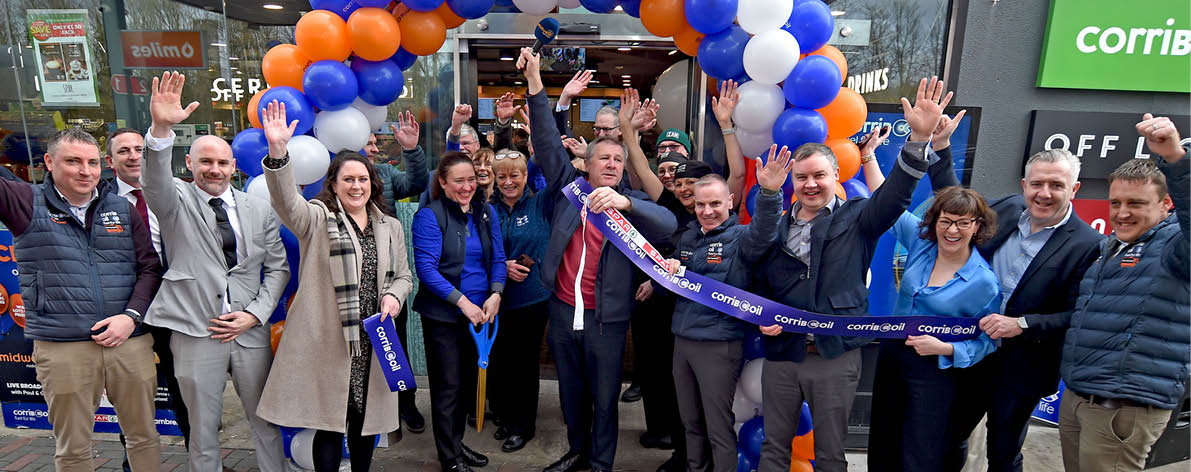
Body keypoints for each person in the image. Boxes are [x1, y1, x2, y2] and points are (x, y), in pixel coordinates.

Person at [751, 77, 949, 472]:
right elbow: (756, 271)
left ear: (836, 175)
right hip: (783, 355)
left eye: (819, 175)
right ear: (792, 181)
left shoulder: (860, 217)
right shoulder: (775, 224)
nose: (810, 184)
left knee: (830, 456)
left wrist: (917, 141)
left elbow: (895, 195)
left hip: (835, 356)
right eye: (802, 177)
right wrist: (762, 315)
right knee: (773, 450)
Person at [519, 47, 678, 472]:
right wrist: (535, 83)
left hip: (606, 319)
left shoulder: (633, 202)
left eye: (617, 160)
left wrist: (628, 203)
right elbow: (547, 141)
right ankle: (577, 452)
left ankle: (601, 463)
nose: (611, 164)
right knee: (570, 393)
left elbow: (668, 225)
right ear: (586, 166)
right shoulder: (569, 191)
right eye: (603, 158)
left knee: (605, 397)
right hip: (562, 310)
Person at [141, 72, 290, 472]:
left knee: (266, 424)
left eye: (222, 162)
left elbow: (277, 269)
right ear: (189, 163)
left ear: (233, 166)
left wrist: (254, 314)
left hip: (249, 333)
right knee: (202, 431)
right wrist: (160, 130)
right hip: (195, 332)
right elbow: (153, 181)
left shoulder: (258, 208)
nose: (214, 169)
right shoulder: (174, 200)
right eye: (205, 161)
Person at [256, 101, 414, 472]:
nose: (356, 186)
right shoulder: (317, 219)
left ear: (372, 183)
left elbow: (404, 276)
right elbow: (286, 202)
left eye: (362, 179)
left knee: (364, 423)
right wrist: (278, 152)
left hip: (374, 342)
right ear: (334, 184)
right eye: (348, 180)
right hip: (331, 341)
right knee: (329, 426)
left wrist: (394, 296)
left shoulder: (389, 226)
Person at [925, 144, 1102, 469]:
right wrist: (940, 149)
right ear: (1024, 184)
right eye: (1037, 184)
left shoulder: (1088, 244)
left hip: (1022, 368)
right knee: (947, 438)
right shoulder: (1005, 209)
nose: (1044, 193)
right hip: (969, 353)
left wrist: (1022, 324)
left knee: (1003, 453)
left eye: (1056, 185)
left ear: (1074, 188)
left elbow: (1080, 315)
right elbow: (954, 202)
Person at [0, 127, 163, 471]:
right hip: (63, 347)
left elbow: (149, 267)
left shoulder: (121, 208)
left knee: (144, 437)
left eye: (92, 162)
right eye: (73, 161)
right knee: (73, 447)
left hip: (128, 341)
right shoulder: (25, 202)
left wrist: (131, 316)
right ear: (49, 162)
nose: (85, 171)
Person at [1056, 114, 1189, 472]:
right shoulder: (1111, 247)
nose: (1122, 213)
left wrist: (1176, 160)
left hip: (1121, 410)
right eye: (1116, 203)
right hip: (1082, 399)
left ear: (1166, 204)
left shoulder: (1176, 247)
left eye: (1136, 203)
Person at [662, 147, 791, 472]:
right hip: (682, 340)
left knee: (718, 428)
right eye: (701, 204)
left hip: (719, 345)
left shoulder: (742, 238)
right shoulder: (688, 238)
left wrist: (770, 193)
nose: (707, 211)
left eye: (715, 204)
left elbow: (765, 231)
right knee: (690, 424)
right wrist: (669, 270)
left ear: (730, 202)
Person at [866, 186, 1001, 471]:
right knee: (884, 440)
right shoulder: (921, 244)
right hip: (893, 357)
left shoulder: (984, 282)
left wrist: (945, 348)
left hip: (935, 370)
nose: (952, 230)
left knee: (921, 449)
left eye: (963, 223)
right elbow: (889, 203)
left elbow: (988, 341)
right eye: (946, 221)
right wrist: (867, 162)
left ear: (977, 226)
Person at [412, 152, 507, 472]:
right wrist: (463, 303)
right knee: (448, 388)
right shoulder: (430, 216)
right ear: (442, 182)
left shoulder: (486, 212)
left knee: (466, 387)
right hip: (445, 317)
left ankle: (455, 444)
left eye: (471, 179)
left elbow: (498, 258)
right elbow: (427, 270)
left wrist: (496, 293)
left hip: (481, 315)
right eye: (458, 181)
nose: (467, 187)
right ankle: (450, 458)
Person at [104, 127, 193, 464]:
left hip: (175, 305)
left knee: (185, 390)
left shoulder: (178, 192)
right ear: (110, 161)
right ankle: (134, 464)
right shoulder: (100, 200)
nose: (133, 156)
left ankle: (202, 460)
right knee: (132, 394)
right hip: (127, 309)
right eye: (123, 151)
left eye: (139, 149)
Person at [364, 129, 431, 433]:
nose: (374, 148)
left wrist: (412, 151)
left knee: (395, 347)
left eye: (374, 143)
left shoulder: (386, 173)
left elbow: (416, 183)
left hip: (389, 279)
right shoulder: (334, 176)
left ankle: (406, 405)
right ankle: (369, 411)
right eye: (368, 143)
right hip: (351, 280)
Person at [487, 147, 552, 453]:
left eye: (514, 175)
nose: (508, 182)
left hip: (532, 300)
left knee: (524, 364)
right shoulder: (486, 209)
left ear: (526, 176)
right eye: (501, 177)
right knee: (500, 362)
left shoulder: (542, 203)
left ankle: (523, 426)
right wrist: (503, 266)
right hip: (495, 300)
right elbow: (479, 251)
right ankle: (505, 416)